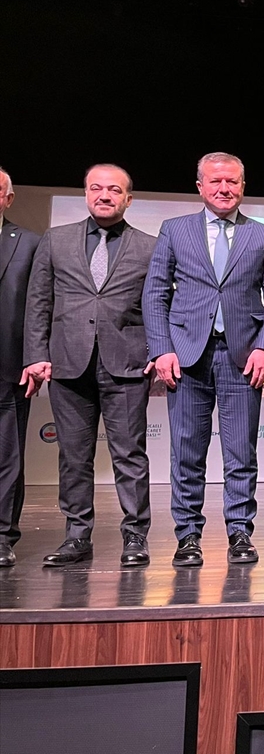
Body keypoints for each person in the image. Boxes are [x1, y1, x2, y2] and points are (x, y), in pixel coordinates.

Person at [142, 152, 264, 567]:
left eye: (232, 182)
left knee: (241, 452)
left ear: (243, 186)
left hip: (243, 358)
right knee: (186, 452)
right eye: (216, 181)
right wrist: (161, 348)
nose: (224, 189)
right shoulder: (175, 230)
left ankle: (240, 532)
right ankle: (188, 536)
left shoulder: (262, 235)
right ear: (200, 187)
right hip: (186, 357)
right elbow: (155, 292)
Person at [22, 164, 156, 567]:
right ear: (85, 194)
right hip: (68, 364)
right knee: (74, 457)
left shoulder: (149, 246)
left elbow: (157, 307)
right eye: (96, 188)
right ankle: (77, 536)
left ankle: (135, 535)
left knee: (130, 455)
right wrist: (36, 354)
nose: (104, 195)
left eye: (114, 190)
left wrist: (157, 351)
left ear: (128, 199)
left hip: (127, 366)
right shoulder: (56, 240)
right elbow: (39, 301)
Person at [0, 167, 40, 569]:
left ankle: (1, 535)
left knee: (7, 456)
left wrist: (34, 356)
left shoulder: (29, 243)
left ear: (8, 198)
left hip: (8, 366)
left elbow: (38, 306)